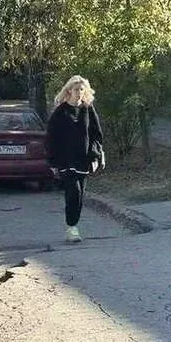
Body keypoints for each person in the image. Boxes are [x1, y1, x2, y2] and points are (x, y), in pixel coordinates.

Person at [45, 75, 104, 243]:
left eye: (81, 89)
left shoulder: (88, 109)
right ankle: (72, 228)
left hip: (83, 159)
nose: (79, 92)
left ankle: (73, 224)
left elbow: (96, 135)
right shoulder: (60, 112)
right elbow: (51, 138)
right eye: (76, 89)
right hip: (65, 160)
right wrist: (52, 161)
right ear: (69, 91)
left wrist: (95, 155)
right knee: (74, 191)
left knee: (80, 194)